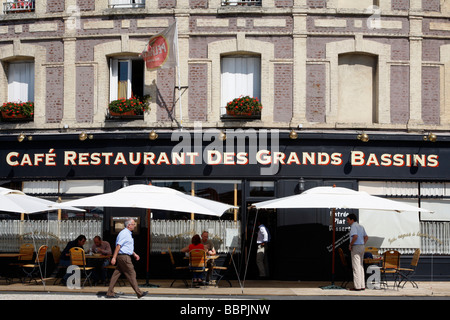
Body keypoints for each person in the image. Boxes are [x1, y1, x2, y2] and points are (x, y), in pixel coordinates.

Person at [106, 218, 148, 299]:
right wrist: (114, 258)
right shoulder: (124, 233)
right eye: (133, 224)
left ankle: (109, 292)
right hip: (124, 257)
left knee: (116, 274)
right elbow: (118, 246)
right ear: (129, 225)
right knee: (131, 273)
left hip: (124, 256)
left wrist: (134, 254)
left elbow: (127, 247)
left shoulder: (127, 233)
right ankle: (139, 293)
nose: (135, 225)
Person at [346, 213, 369, 291]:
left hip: (356, 247)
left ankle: (357, 287)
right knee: (361, 266)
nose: (347, 222)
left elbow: (355, 236)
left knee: (356, 267)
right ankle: (362, 285)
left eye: (348, 220)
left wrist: (350, 244)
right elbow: (366, 237)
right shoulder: (361, 226)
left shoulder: (353, 226)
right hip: (362, 246)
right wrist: (362, 243)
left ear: (352, 220)